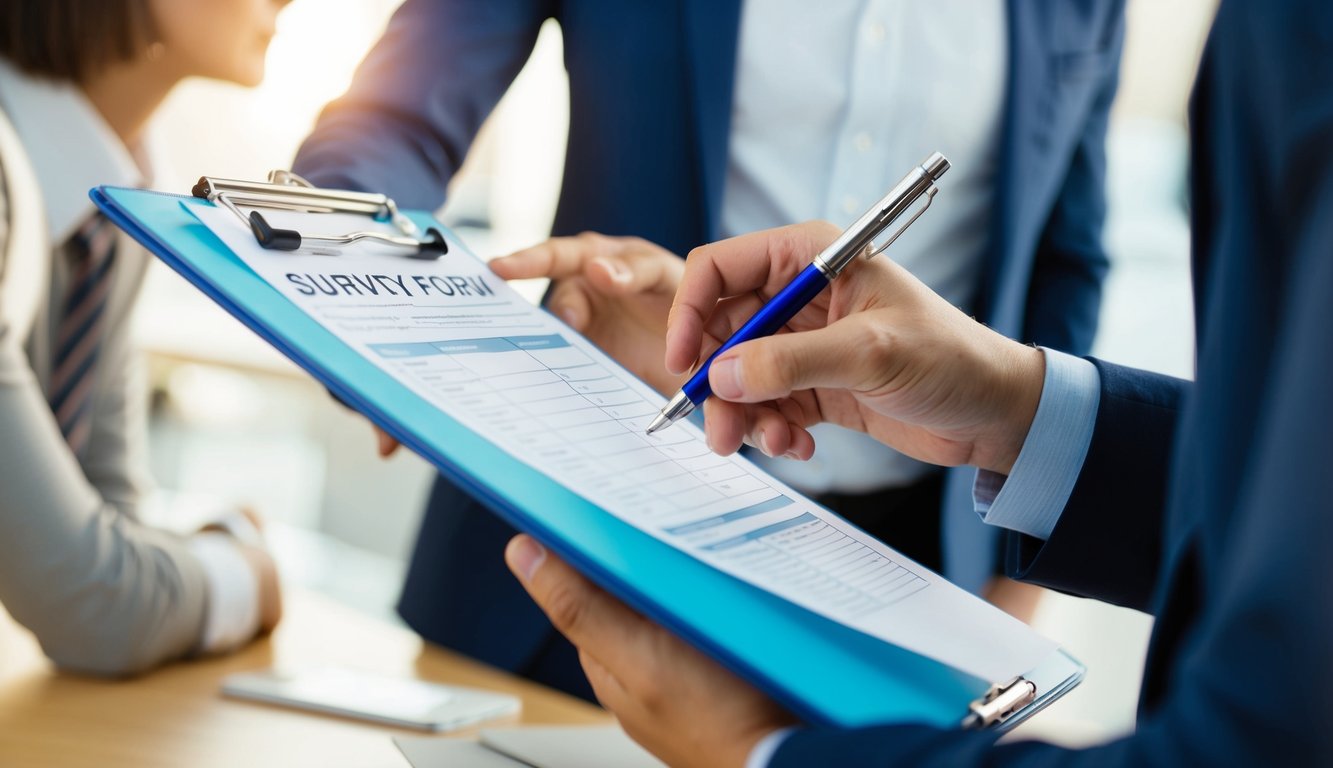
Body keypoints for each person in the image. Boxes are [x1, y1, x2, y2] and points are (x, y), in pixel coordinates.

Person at [499, 1, 1333, 764]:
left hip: (904, 582)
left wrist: (761, 755)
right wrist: (1020, 409)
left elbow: (1260, 740)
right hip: (591, 551)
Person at [293, 0, 1125, 699]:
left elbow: (1066, 263)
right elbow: (393, 117)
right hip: (584, 533)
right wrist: (387, 330)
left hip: (909, 604)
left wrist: (1018, 590)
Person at [0, 0, 288, 675]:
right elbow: (94, 604)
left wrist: (164, 570)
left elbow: (109, 523)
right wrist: (246, 572)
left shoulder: (111, 204)